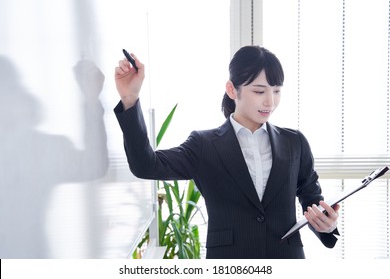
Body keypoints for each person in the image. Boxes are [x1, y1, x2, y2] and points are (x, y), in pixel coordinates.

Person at [113, 45, 340, 259]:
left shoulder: (295, 142)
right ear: (232, 89)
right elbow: (146, 165)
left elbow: (312, 202)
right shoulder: (204, 144)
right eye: (259, 91)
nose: (270, 101)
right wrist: (130, 99)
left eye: (277, 91)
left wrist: (327, 225)